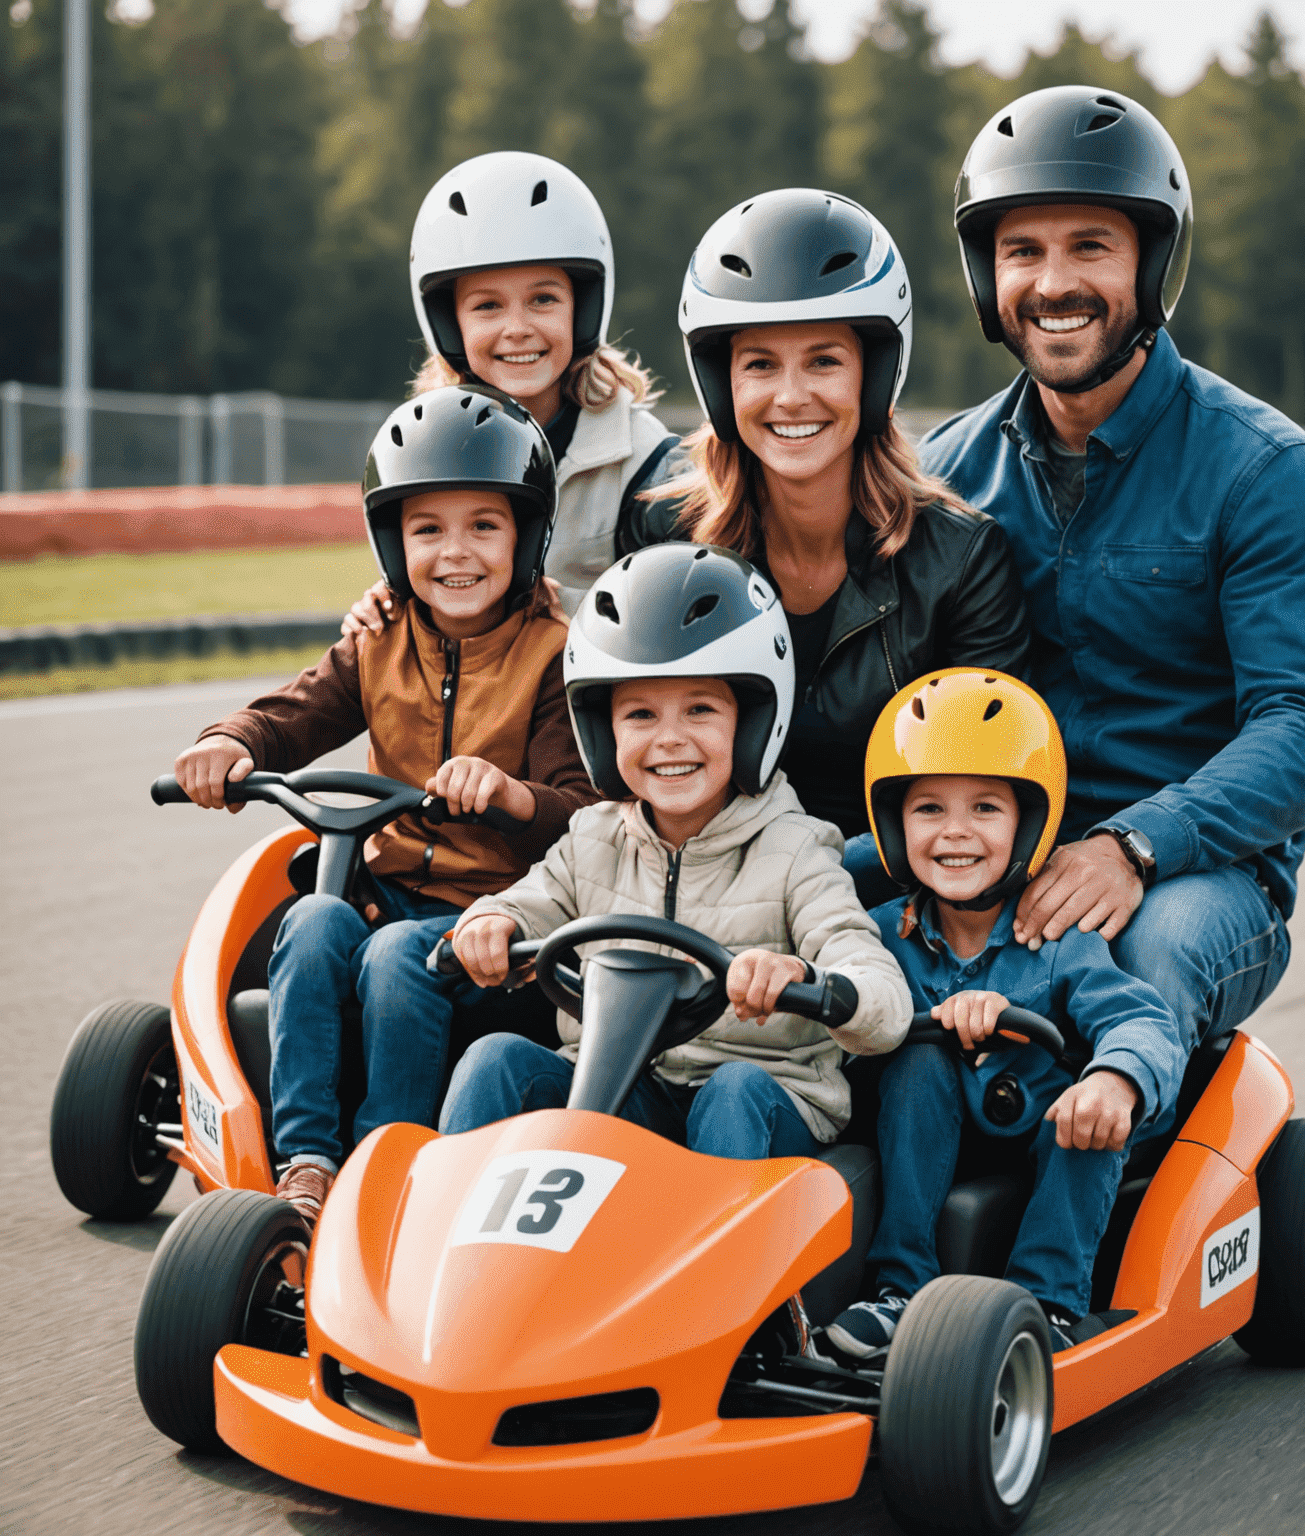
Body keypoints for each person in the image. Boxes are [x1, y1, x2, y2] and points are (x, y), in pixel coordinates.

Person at [920, 86, 1305, 1049]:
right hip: (976, 849)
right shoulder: (941, 475)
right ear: (984, 275)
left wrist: (1135, 844)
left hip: (1197, 875)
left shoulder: (1267, 473)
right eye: (1022, 251)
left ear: (1152, 264)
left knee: (1140, 954)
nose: (1053, 283)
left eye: (1091, 246)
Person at [173, 386, 599, 1225]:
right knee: (314, 923)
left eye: (484, 525)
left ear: (527, 533)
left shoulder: (555, 655)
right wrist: (234, 742)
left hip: (506, 925)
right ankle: (308, 1162)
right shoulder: (378, 638)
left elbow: (583, 813)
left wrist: (510, 795)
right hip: (392, 893)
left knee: (397, 953)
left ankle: (387, 1164)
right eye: (427, 529)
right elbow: (296, 714)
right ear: (391, 541)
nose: (456, 552)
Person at [438, 542, 913, 1156]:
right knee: (496, 1058)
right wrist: (489, 922)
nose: (669, 740)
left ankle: (719, 1255)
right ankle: (460, 1245)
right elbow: (527, 903)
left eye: (700, 709)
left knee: (734, 1090)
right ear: (600, 731)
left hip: (763, 1108)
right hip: (624, 1093)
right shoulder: (592, 838)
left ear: (751, 721)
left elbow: (883, 999)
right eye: (639, 714)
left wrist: (804, 975)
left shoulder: (797, 850)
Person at [621, 188, 1031, 876]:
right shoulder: (664, 534)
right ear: (720, 383)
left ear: (874, 375)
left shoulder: (962, 562)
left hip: (896, 895)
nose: (790, 396)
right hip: (706, 890)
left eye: (823, 360)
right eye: (759, 364)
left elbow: (980, 798)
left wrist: (803, 877)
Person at [825, 670, 1186, 1360]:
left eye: (985, 808)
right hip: (913, 1133)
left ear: (1030, 822)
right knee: (919, 1055)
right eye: (928, 809)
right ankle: (901, 1290)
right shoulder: (873, 936)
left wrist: (1114, 1081)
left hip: (1037, 1132)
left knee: (1082, 1121)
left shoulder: (1058, 938)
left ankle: (1049, 1303)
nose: (955, 833)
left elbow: (1141, 1022)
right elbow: (828, 1018)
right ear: (893, 826)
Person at [353, 151, 691, 625]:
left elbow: (685, 614)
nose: (517, 328)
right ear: (449, 323)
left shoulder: (645, 462)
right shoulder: (423, 450)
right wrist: (391, 606)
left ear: (584, 306)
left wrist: (551, 609)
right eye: (488, 306)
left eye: (543, 299)